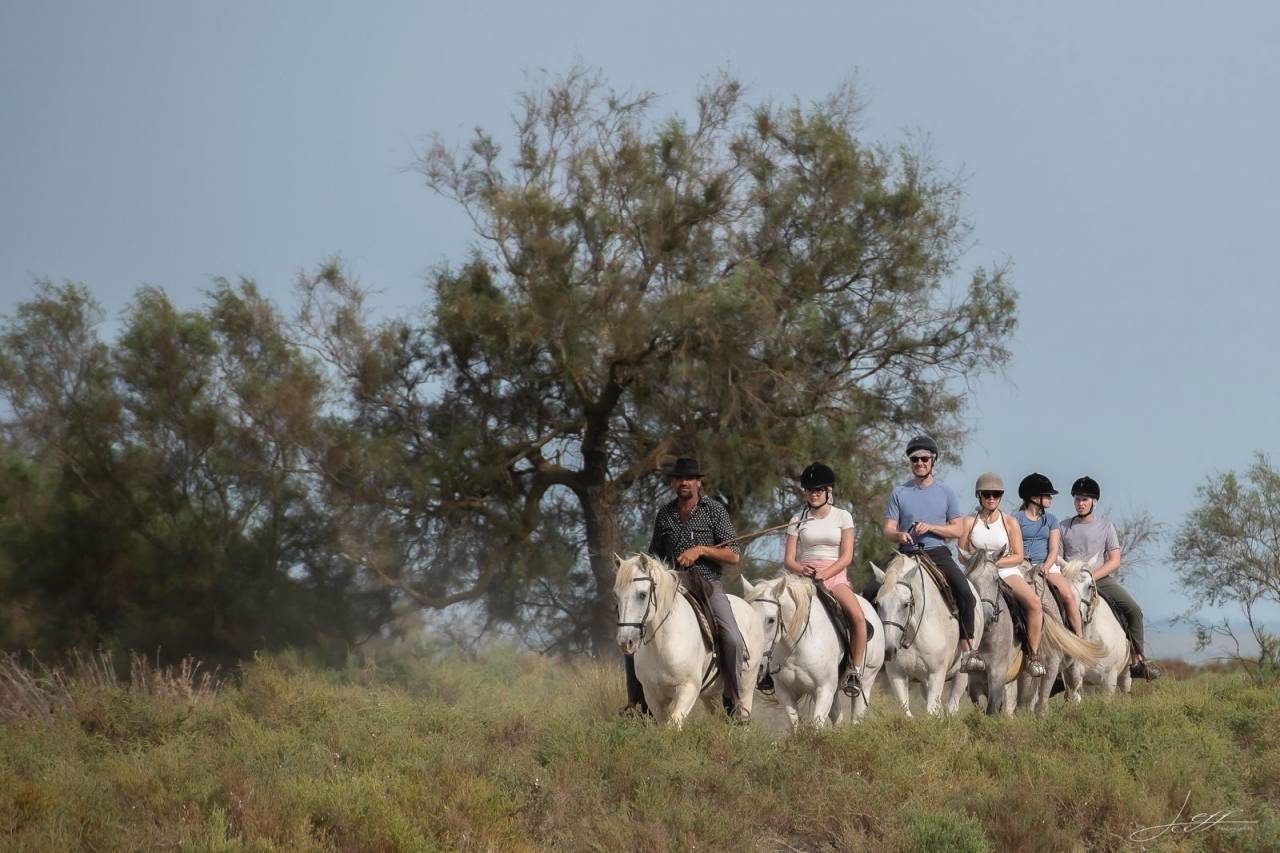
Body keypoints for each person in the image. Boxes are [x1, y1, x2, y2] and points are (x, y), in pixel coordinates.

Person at [622, 457, 750, 719]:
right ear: (672, 483)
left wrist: (700, 550)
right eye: (679, 479)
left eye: (689, 478)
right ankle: (635, 702)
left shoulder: (714, 511)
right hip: (670, 585)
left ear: (698, 482)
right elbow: (654, 556)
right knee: (631, 633)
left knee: (733, 638)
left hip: (707, 583)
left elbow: (734, 554)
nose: (684, 483)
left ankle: (735, 698)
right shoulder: (665, 514)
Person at [881, 435, 985, 672]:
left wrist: (931, 527)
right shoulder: (899, 492)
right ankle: (874, 652)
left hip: (936, 551)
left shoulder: (945, 492)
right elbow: (888, 529)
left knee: (965, 593)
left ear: (933, 460)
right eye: (915, 459)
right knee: (872, 591)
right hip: (906, 553)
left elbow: (958, 529)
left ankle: (968, 650)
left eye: (924, 458)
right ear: (911, 462)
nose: (919, 463)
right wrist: (899, 535)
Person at [1060, 476, 1162, 680]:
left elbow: (1115, 560)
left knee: (1134, 610)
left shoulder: (1106, 527)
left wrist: (1092, 577)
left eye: (1085, 500)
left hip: (1099, 579)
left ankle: (1137, 660)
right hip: (1070, 581)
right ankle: (1052, 667)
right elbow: (1059, 557)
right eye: (1078, 499)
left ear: (1094, 502)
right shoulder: (1063, 527)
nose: (1080, 503)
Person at [779, 462, 867, 696]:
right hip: (803, 578)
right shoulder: (797, 519)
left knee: (858, 618)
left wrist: (826, 574)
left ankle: (854, 671)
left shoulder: (843, 516)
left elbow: (847, 556)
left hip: (834, 576)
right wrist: (801, 568)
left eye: (818, 489)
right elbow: (788, 559)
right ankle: (770, 668)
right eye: (810, 490)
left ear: (828, 491)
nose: (814, 494)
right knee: (775, 611)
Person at [958, 473, 1045, 677]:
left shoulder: (1010, 522)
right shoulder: (968, 522)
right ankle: (960, 651)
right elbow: (962, 555)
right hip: (976, 572)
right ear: (979, 496)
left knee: (1034, 603)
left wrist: (993, 563)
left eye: (996, 494)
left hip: (1005, 570)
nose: (991, 498)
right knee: (955, 601)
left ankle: (1033, 655)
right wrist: (982, 564)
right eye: (987, 494)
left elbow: (1018, 555)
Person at [1014, 473, 1083, 637]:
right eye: (1047, 495)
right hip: (1021, 565)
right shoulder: (1015, 518)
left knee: (1068, 595)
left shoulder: (1051, 519)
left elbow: (1053, 549)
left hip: (1047, 564)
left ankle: (1079, 637)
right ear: (1034, 497)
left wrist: (1045, 566)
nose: (1051, 498)